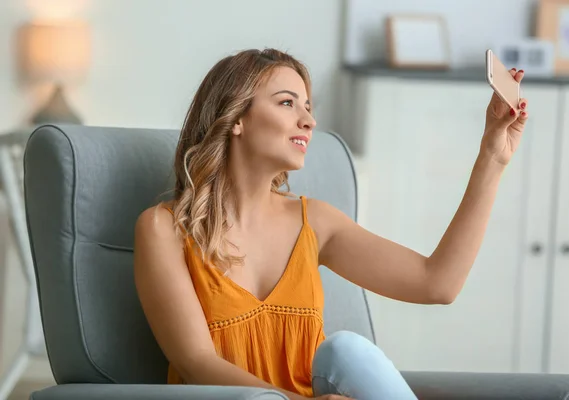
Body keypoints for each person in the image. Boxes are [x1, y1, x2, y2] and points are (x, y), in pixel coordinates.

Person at [133, 48, 529, 399]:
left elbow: (438, 283)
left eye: (308, 107)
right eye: (288, 103)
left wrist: (492, 157)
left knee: (345, 352)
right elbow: (196, 362)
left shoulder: (315, 222)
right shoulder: (163, 229)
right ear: (236, 118)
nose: (308, 121)